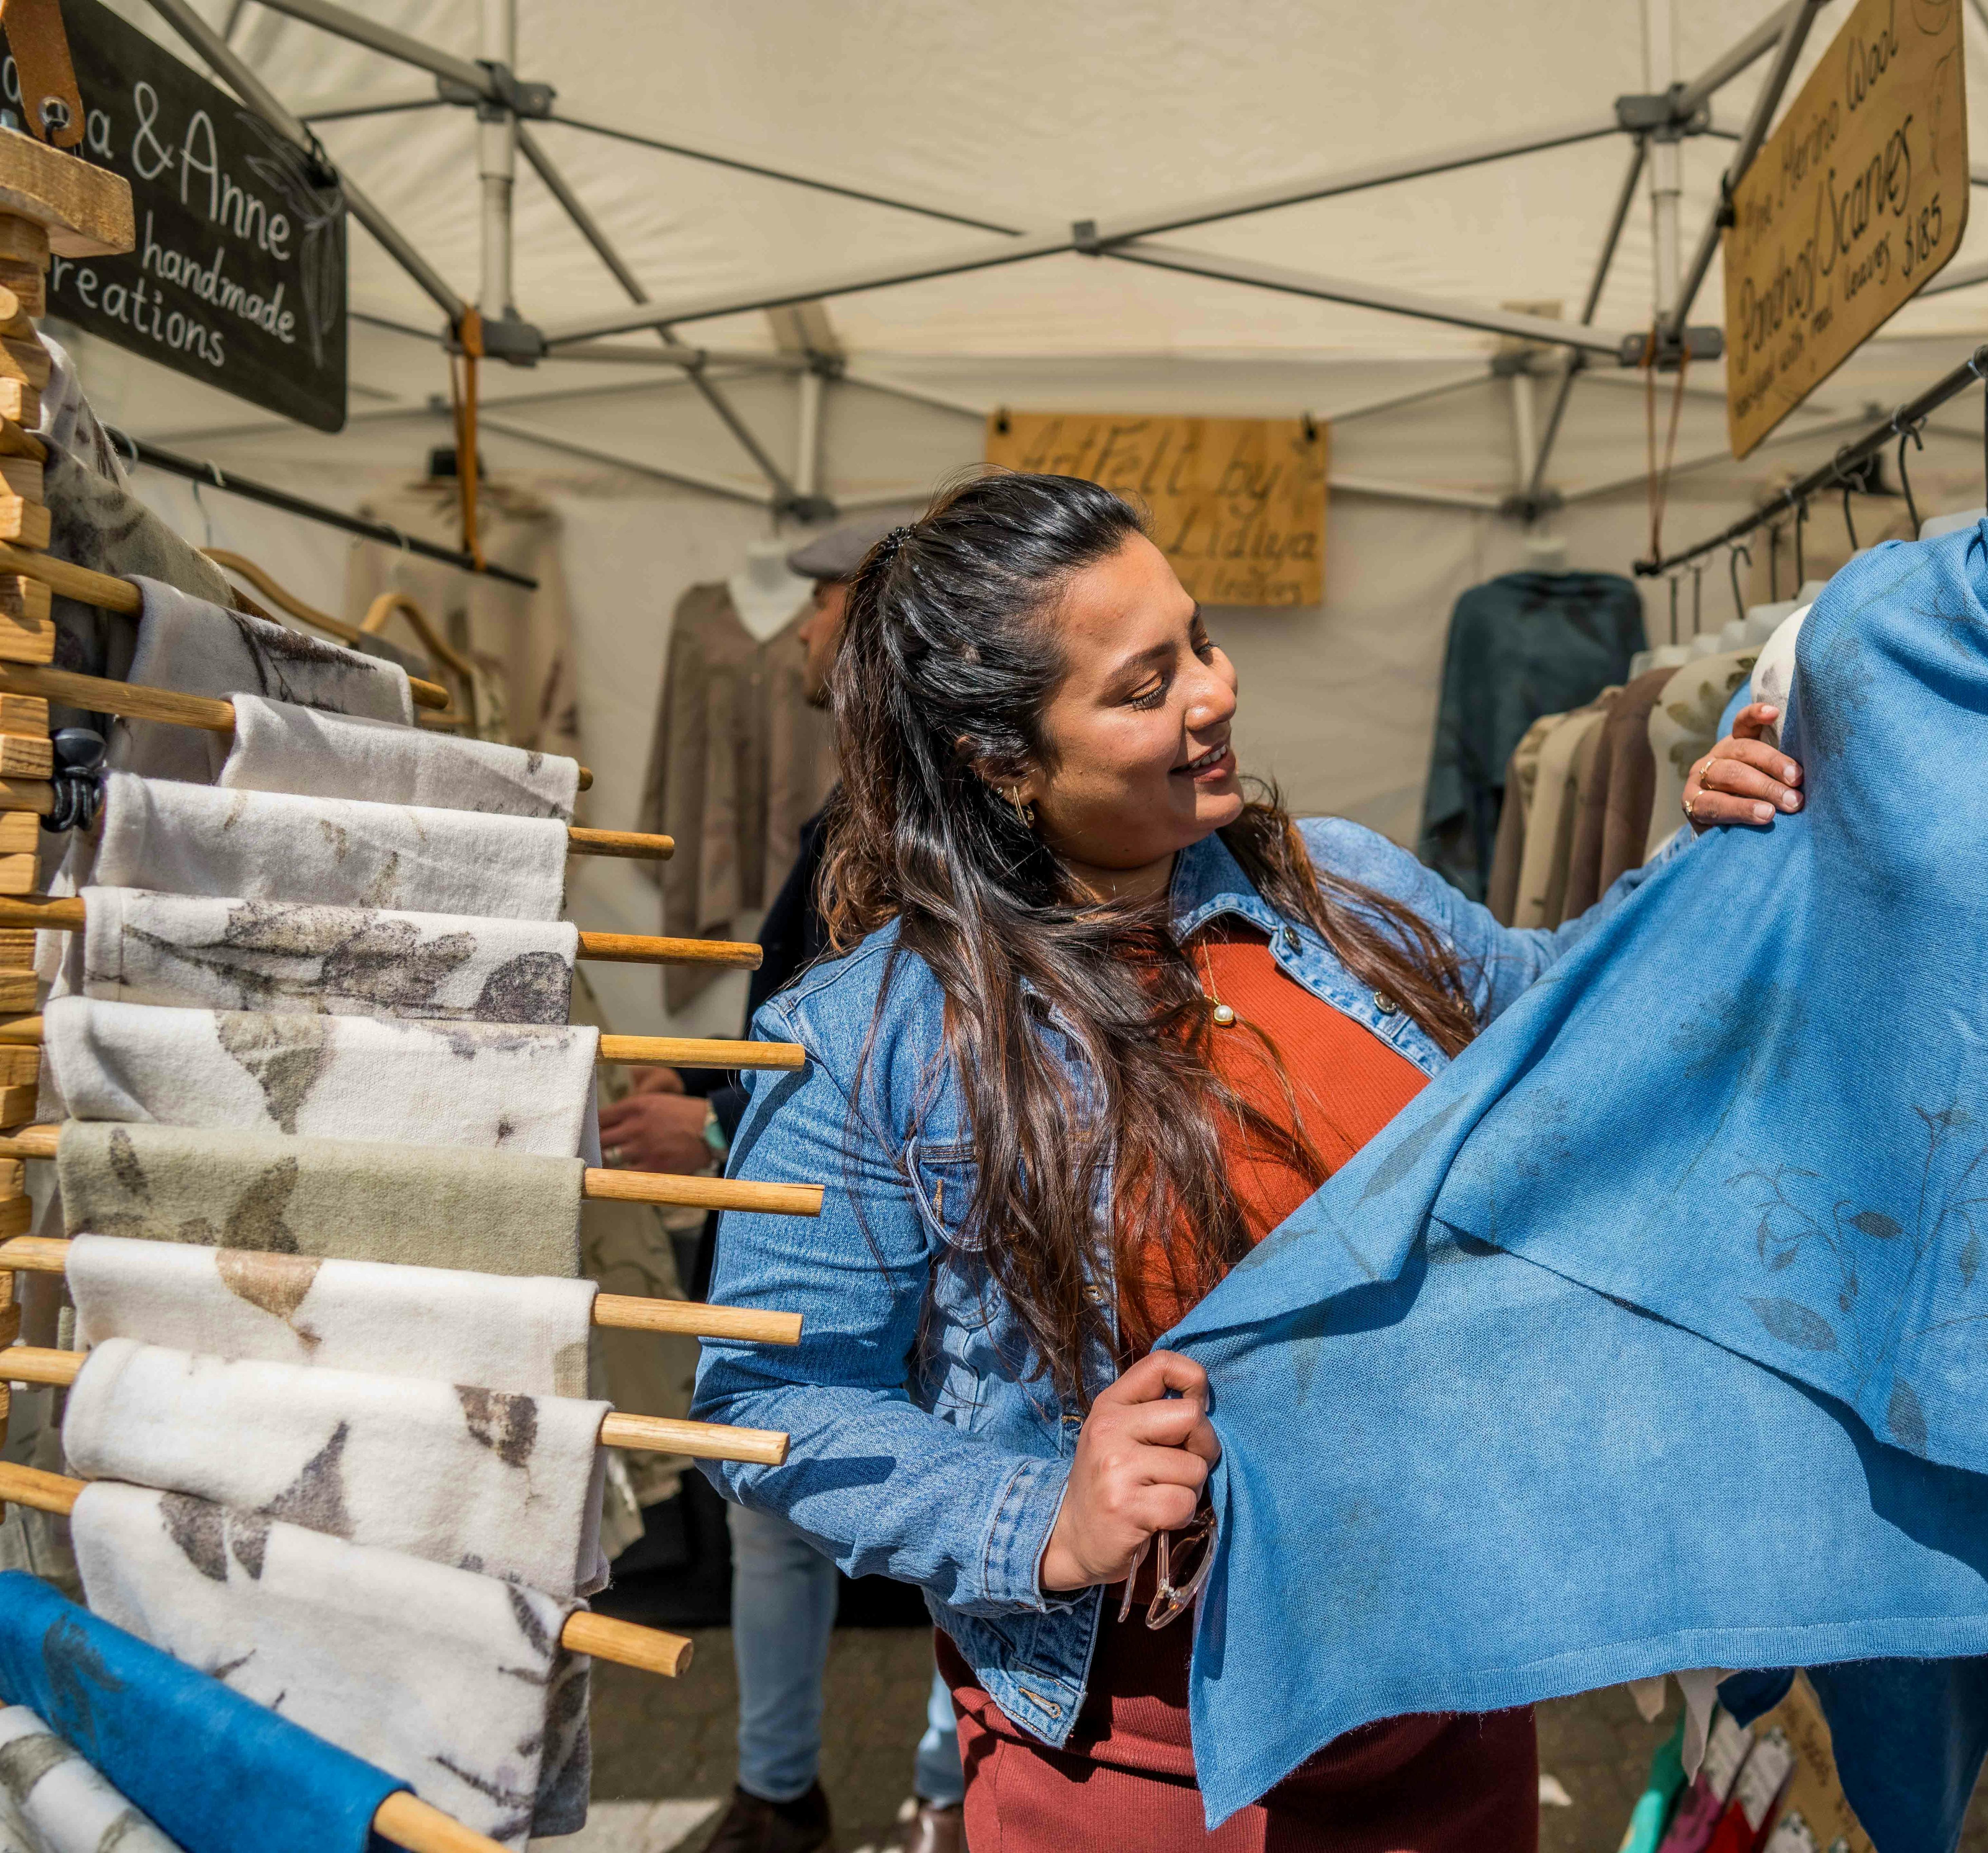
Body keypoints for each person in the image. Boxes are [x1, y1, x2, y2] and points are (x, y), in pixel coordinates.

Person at [689, 470, 1801, 1848]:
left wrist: (1703, 864)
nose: (1211, 693)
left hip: (1447, 1690)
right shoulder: (879, 1039)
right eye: (1144, 685)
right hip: (1145, 1761)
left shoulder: (1344, 890)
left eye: (1200, 642)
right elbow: (766, 1392)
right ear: (1001, 759)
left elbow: (1559, 1023)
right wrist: (1038, 1511)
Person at [600, 512, 970, 1853]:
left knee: (940, 1494)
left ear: (869, 618)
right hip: (815, 1228)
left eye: (820, 605)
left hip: (901, 1233)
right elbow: (793, 1013)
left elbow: (892, 1048)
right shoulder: (858, 810)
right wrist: (707, 1104)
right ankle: (783, 1792)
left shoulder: (929, 820)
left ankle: (938, 1790)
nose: (801, 631)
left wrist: (715, 1128)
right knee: (774, 1510)